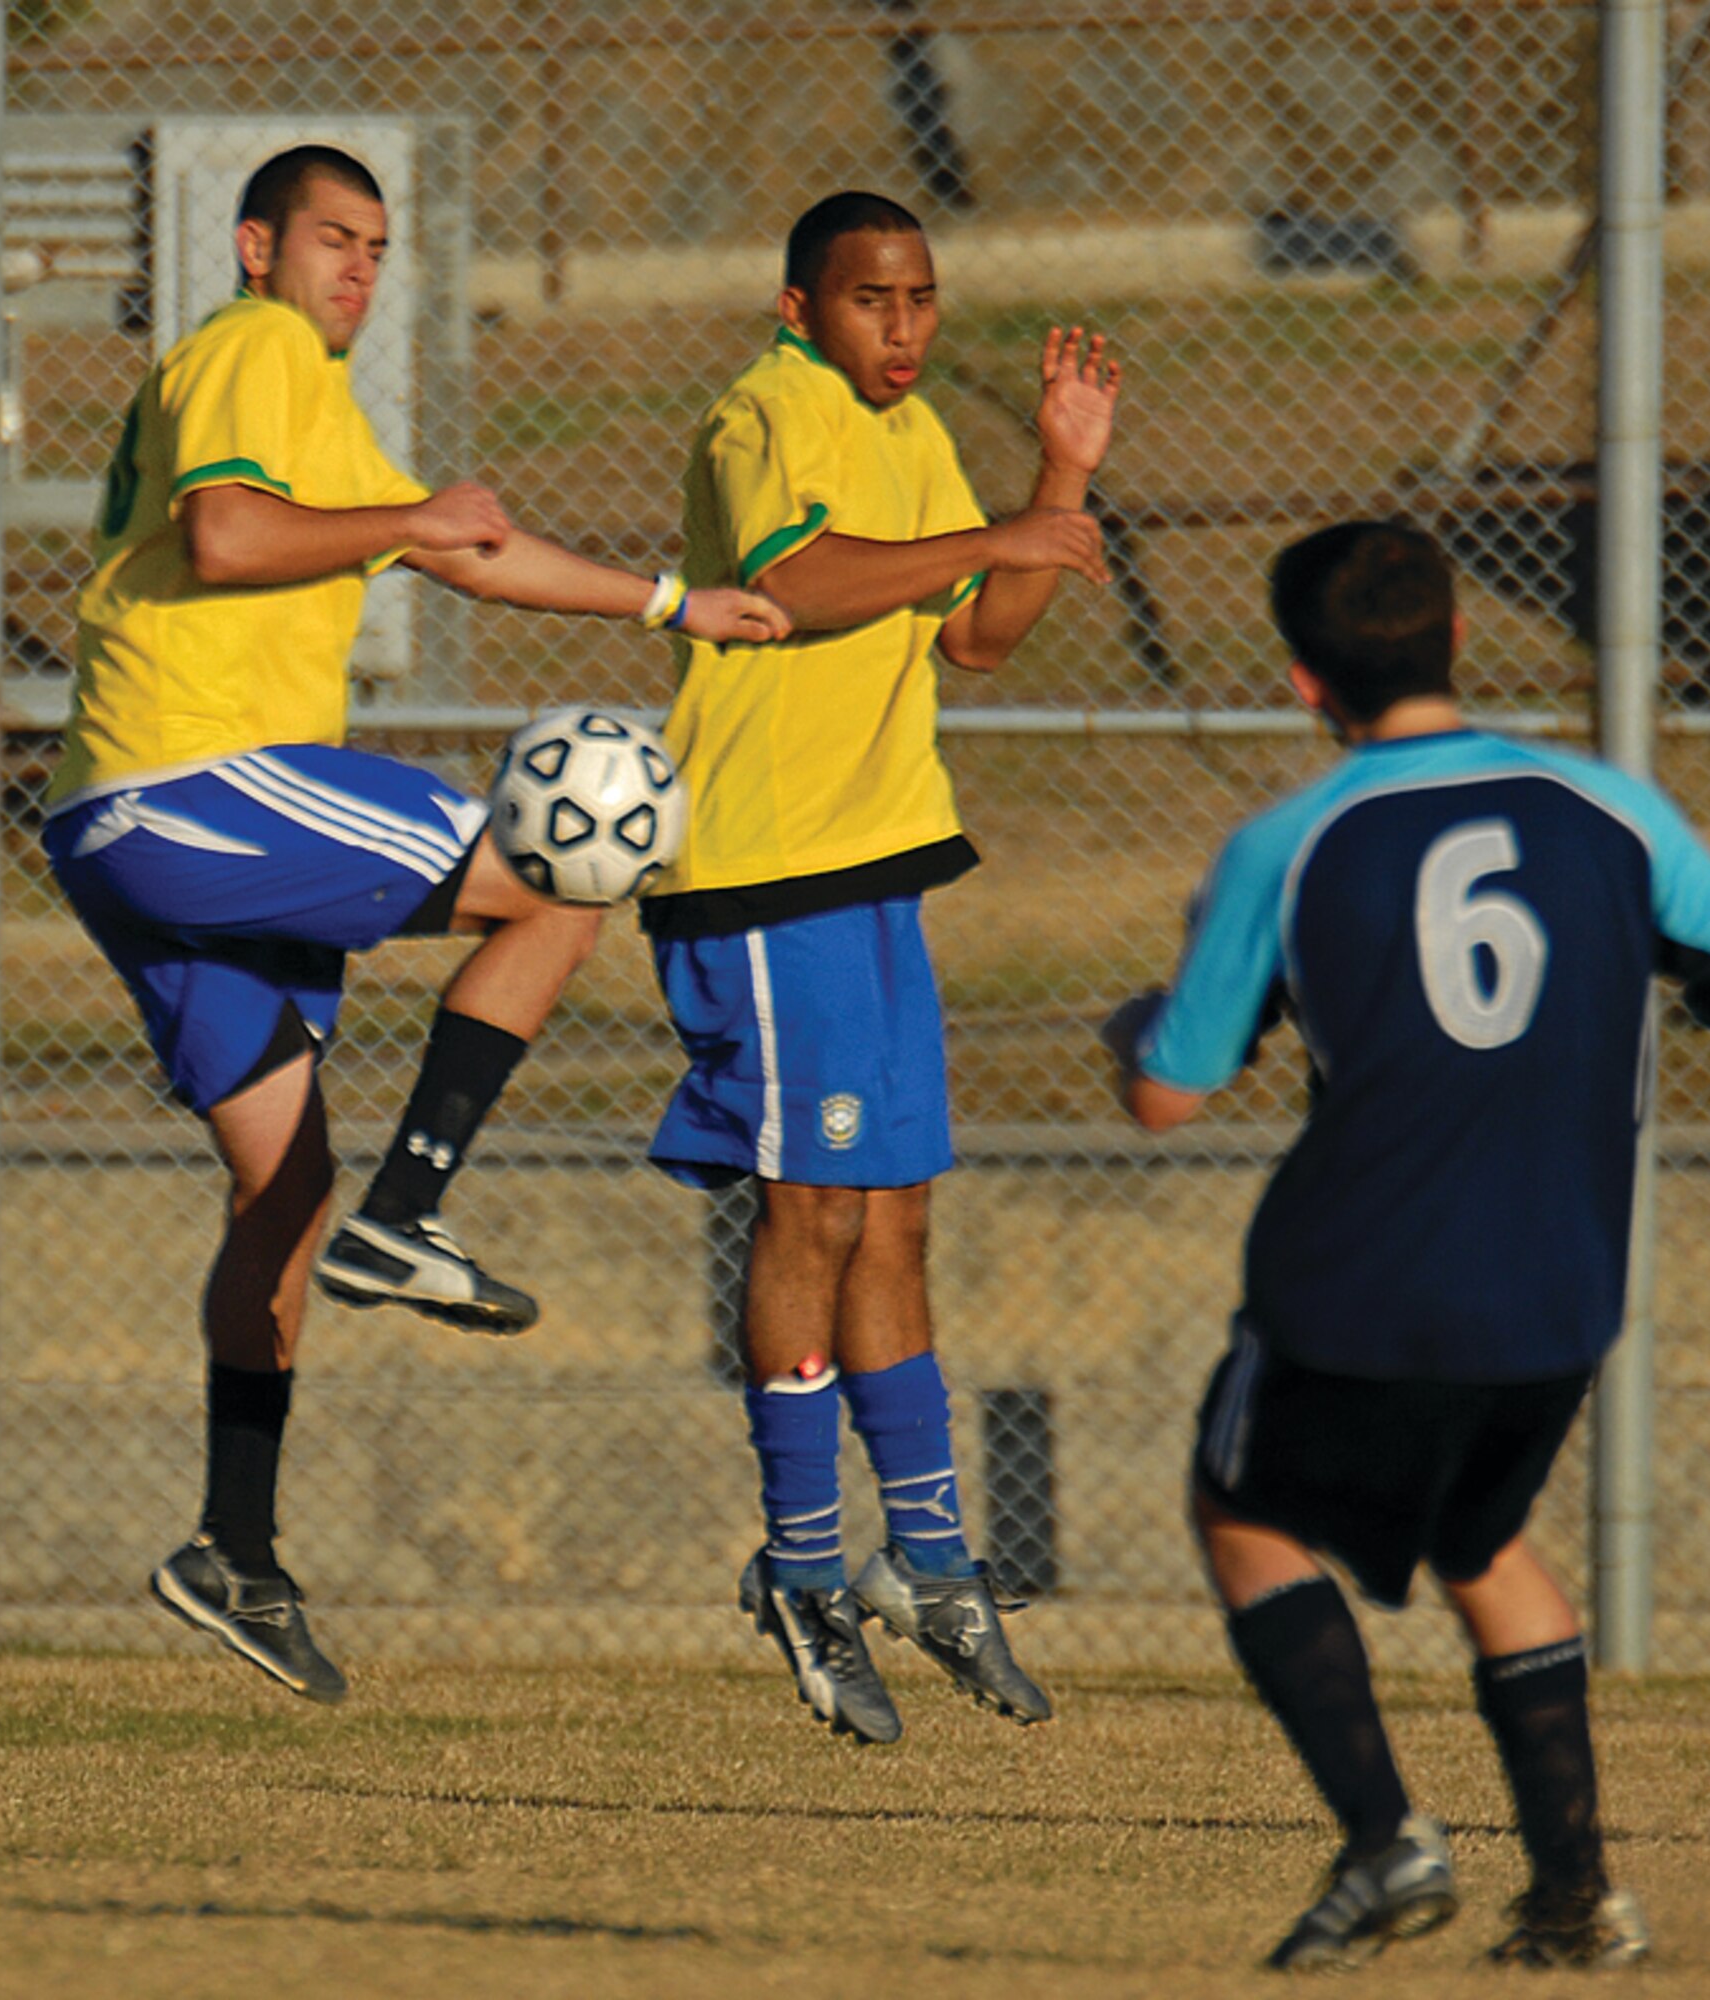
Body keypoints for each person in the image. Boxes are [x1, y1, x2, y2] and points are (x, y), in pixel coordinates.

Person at [40, 144, 790, 1706]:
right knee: (570, 876)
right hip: (201, 781)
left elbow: (459, 545)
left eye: (377, 247)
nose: (358, 271)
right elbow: (237, 537)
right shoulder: (251, 353)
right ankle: (420, 1204)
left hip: (132, 823)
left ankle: (230, 1547)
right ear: (255, 245)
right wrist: (403, 515)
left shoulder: (311, 396)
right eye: (331, 239)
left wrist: (665, 604)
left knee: (280, 1193)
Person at [1101, 521, 1710, 1970]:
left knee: (1239, 1512)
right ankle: (1577, 1900)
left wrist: (1137, 1018)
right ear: (1456, 642)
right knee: (1481, 1540)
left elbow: (1169, 1094)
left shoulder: (1288, 844)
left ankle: (1382, 1840)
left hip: (1359, 1273)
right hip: (1558, 1282)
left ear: (1302, 682)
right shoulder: (1609, 808)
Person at [640, 190, 1121, 1743]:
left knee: (895, 1216)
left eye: (918, 298)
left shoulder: (911, 435)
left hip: (878, 863)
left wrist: (1056, 481)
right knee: (814, 1206)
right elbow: (797, 583)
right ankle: (798, 1563)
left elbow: (974, 634)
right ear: (802, 309)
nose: (900, 326)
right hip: (763, 869)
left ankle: (923, 1558)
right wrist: (995, 529)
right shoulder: (764, 412)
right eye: (869, 300)